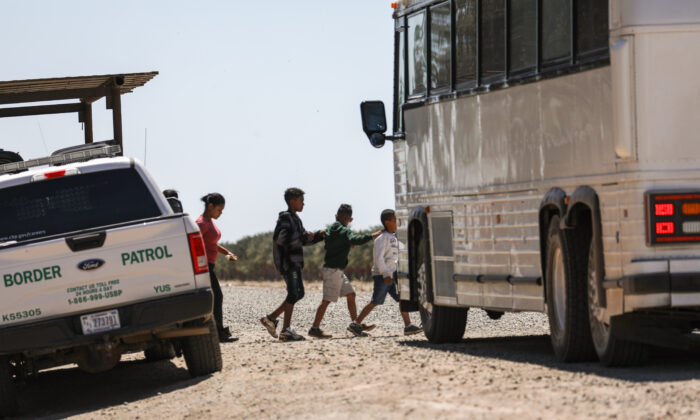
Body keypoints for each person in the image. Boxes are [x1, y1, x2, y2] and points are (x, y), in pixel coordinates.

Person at [308, 204, 382, 339]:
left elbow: (328, 243)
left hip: (337, 271)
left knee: (351, 294)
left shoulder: (331, 228)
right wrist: (373, 235)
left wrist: (345, 244)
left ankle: (355, 326)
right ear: (351, 219)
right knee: (326, 300)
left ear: (336, 216)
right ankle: (314, 328)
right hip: (333, 270)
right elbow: (356, 239)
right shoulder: (344, 230)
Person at [260, 188, 324, 341]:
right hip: (288, 262)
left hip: (295, 262)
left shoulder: (295, 218)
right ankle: (285, 330)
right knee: (293, 294)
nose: (304, 204)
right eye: (301, 200)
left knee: (299, 293)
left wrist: (318, 236)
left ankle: (271, 318)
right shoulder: (285, 218)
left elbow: (303, 240)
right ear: (292, 201)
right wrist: (302, 235)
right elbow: (281, 238)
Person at [356, 209, 422, 336]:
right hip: (383, 276)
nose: (397, 222)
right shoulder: (382, 238)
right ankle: (356, 323)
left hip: (392, 276)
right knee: (375, 301)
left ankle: (408, 326)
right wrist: (385, 274)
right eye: (394, 220)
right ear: (387, 222)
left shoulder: (393, 238)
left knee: (402, 299)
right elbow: (379, 258)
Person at [196, 193, 239, 343]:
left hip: (210, 265)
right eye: (219, 210)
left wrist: (227, 253)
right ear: (210, 206)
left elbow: (212, 243)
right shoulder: (201, 223)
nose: (220, 213)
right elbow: (193, 244)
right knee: (217, 296)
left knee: (215, 297)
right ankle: (219, 333)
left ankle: (215, 331)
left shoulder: (209, 222)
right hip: (204, 266)